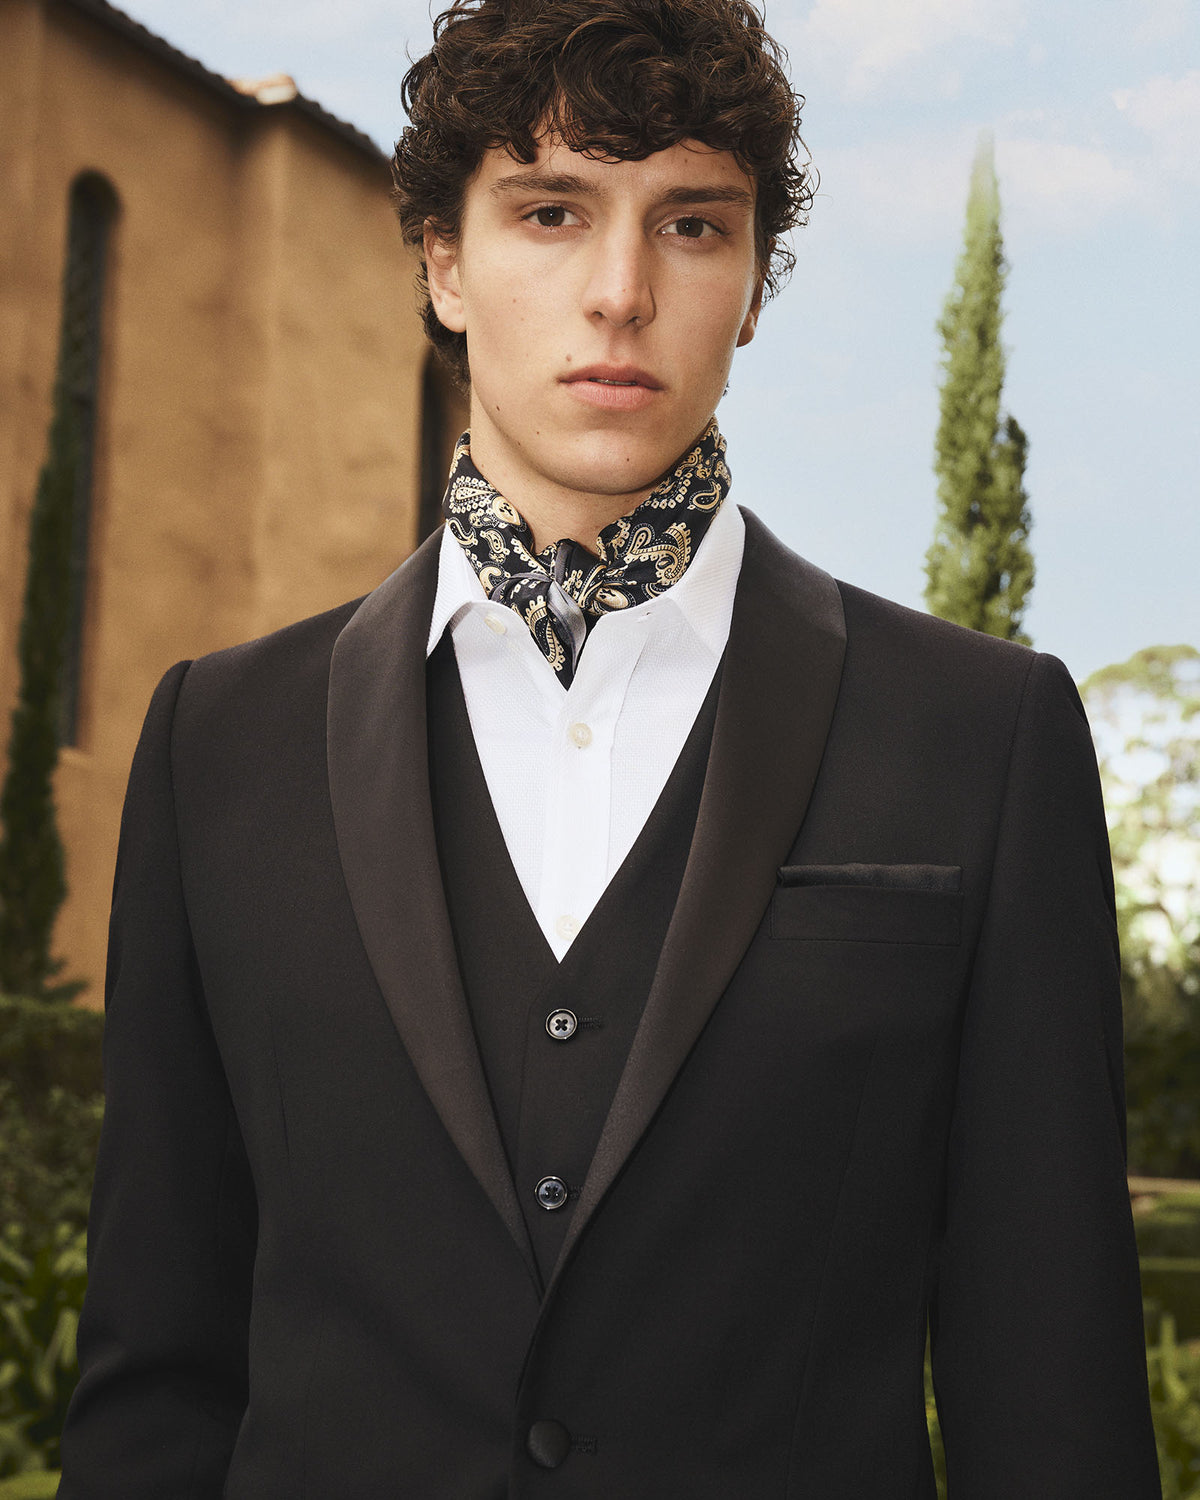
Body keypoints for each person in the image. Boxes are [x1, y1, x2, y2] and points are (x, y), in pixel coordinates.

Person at [59, 0, 1162, 1495]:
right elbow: (158, 1379)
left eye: (692, 225)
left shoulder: (984, 737)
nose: (621, 293)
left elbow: (1053, 1394)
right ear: (443, 262)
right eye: (552, 212)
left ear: (753, 285)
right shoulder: (218, 744)